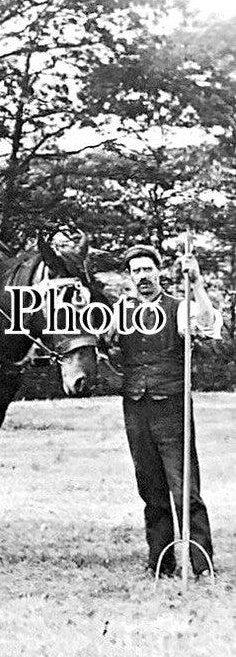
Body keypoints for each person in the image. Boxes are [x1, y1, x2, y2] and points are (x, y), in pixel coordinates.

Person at [114, 244, 222, 577]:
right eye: (136, 271)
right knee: (150, 488)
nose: (142, 276)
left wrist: (198, 282)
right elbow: (101, 340)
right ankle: (160, 562)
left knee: (184, 487)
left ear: (158, 272)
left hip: (172, 407)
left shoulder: (178, 307)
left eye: (147, 269)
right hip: (135, 408)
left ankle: (201, 565)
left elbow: (207, 324)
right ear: (130, 277)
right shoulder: (121, 311)